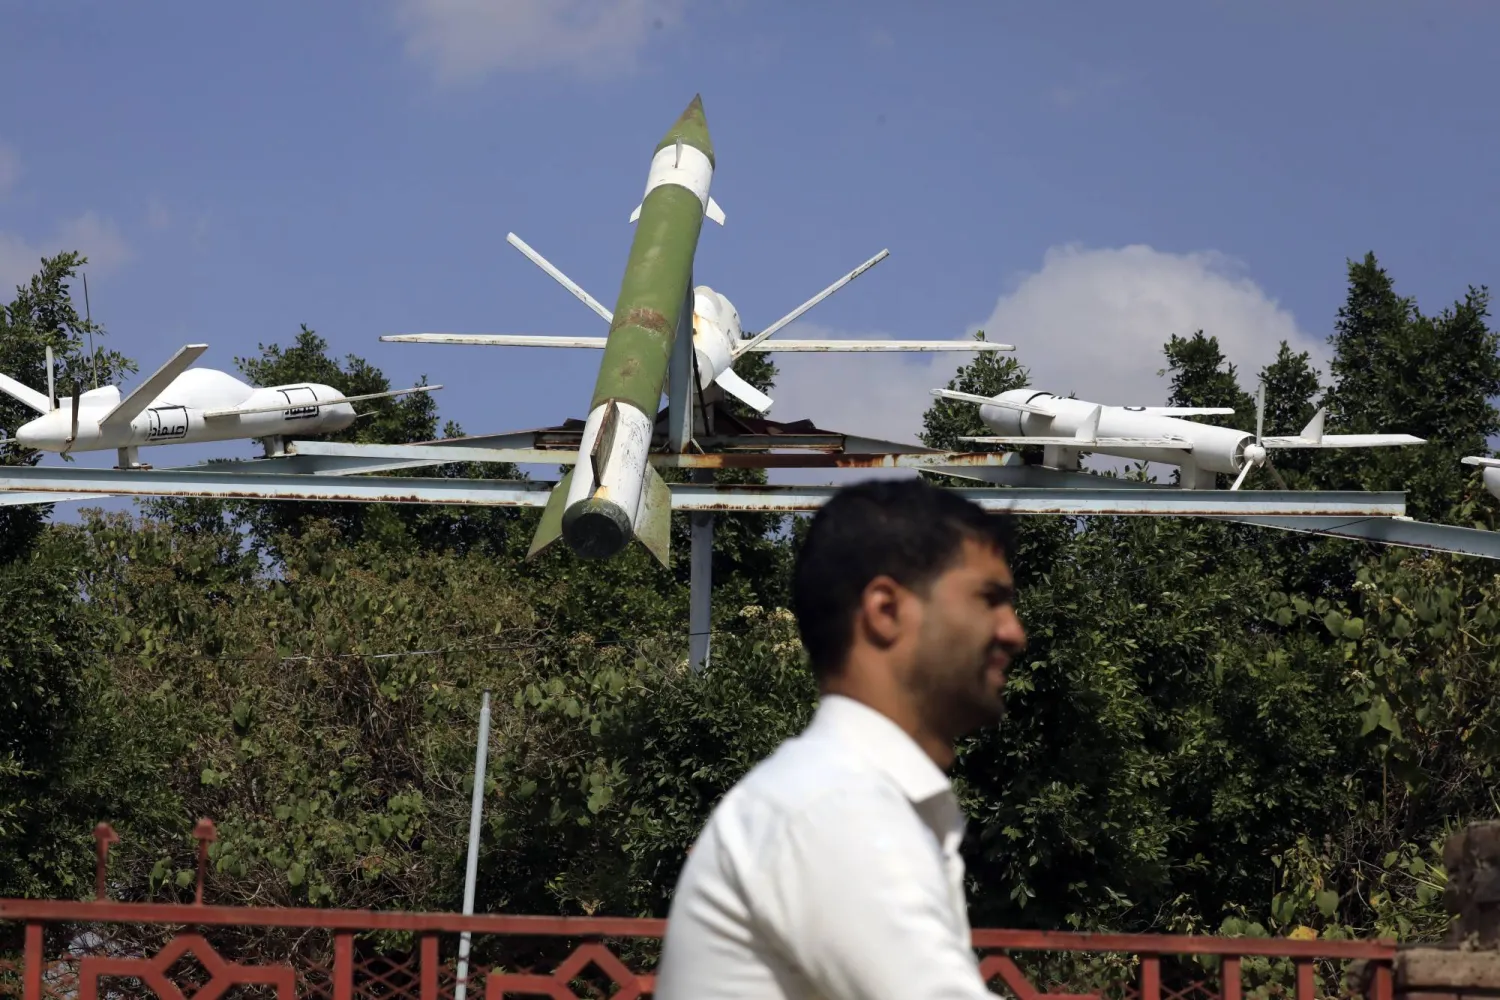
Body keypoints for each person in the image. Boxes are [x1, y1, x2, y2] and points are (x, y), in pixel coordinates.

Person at [653, 477, 1027, 999]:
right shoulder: (835, 806)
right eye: (990, 599)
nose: (1014, 632)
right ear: (885, 611)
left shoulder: (840, 795)